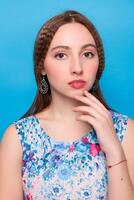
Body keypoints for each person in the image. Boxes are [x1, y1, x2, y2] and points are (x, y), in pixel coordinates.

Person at [0, 10, 134, 200]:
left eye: (87, 54)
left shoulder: (125, 130)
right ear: (42, 67)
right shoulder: (18, 137)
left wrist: (113, 149)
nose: (78, 68)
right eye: (61, 55)